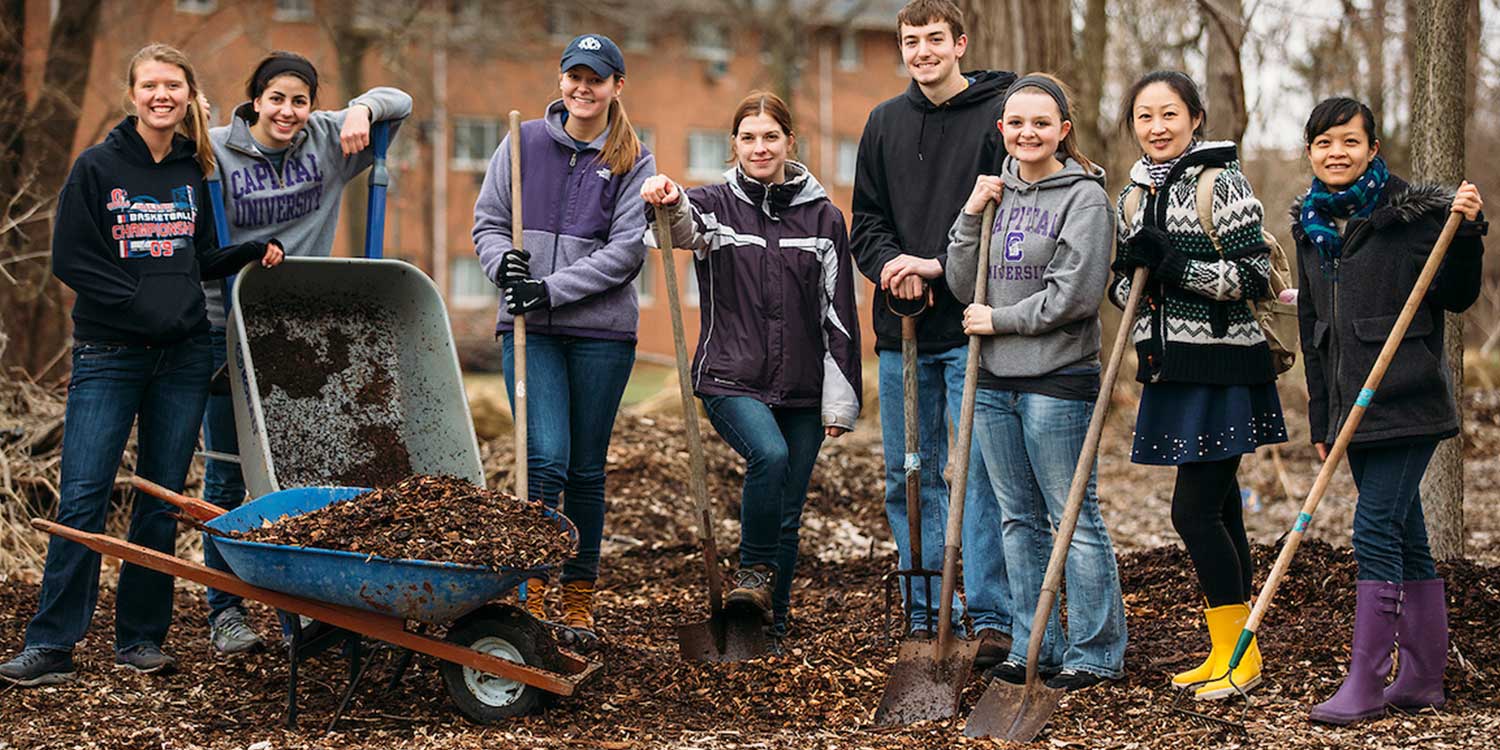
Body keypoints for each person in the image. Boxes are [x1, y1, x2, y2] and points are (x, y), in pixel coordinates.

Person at [0, 44, 283, 686]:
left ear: (188, 95)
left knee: (159, 499)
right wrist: (140, 302)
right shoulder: (97, 167)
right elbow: (72, 258)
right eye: (150, 85)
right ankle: (51, 644)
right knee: (83, 496)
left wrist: (247, 252)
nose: (162, 95)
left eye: (173, 85)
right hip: (109, 354)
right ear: (133, 94)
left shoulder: (193, 169)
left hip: (184, 358)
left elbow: (196, 258)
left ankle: (140, 639)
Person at [198, 51, 412, 654]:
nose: (287, 111)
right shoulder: (215, 149)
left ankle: (323, 607)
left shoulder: (327, 141)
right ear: (255, 100)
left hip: (302, 330)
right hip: (230, 322)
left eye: (300, 100)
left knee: (311, 470)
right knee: (226, 473)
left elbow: (402, 101)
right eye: (276, 99)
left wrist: (364, 108)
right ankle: (225, 611)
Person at [1292, 97, 1485, 725]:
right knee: (1406, 537)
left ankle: (1367, 683)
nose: (1337, 153)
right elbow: (1311, 325)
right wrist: (1322, 415)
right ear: (1311, 153)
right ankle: (1424, 679)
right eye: (1324, 143)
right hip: (1349, 408)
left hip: (1406, 401)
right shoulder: (1312, 225)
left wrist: (1470, 235)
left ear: (1373, 148)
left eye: (1350, 141)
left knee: (1373, 529)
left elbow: (1456, 295)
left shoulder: (1409, 217)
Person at [640, 92, 862, 637]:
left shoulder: (824, 217)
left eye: (770, 136)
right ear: (733, 145)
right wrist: (664, 199)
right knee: (769, 454)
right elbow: (675, 231)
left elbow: (838, 314)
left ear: (790, 142)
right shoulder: (711, 204)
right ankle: (754, 570)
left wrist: (840, 398)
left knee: (788, 509)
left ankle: (771, 630)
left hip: (804, 387)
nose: (759, 147)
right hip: (729, 376)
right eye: (748, 137)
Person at [942, 74, 1126, 692]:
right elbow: (964, 282)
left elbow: (1075, 296)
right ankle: (1034, 644)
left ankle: (1095, 653)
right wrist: (970, 214)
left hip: (1058, 380)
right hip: (992, 382)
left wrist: (1001, 321)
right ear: (1003, 130)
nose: (1028, 134)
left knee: (1072, 517)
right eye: (1017, 124)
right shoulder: (996, 194)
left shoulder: (1085, 200)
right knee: (1017, 519)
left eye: (1042, 124)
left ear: (1063, 132)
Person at [1109, 70, 1287, 700]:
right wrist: (1131, 274)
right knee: (1220, 509)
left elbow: (1252, 274)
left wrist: (1174, 264)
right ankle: (1230, 653)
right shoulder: (1131, 194)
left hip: (1225, 367)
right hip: (1169, 367)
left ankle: (1242, 652)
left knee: (1192, 511)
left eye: (1169, 115)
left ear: (1195, 118)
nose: (1157, 128)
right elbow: (1126, 293)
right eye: (1144, 117)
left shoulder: (1222, 181)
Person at [471, 33, 653, 646]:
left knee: (584, 470)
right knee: (543, 458)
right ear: (562, 80)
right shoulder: (521, 144)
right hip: (530, 332)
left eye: (595, 79)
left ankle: (578, 596)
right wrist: (507, 269)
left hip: (600, 334)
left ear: (616, 87)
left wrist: (549, 288)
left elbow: (626, 253)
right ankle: (537, 584)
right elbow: (488, 222)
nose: (582, 88)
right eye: (573, 76)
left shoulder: (634, 159)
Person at [851, 0, 1014, 660]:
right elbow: (865, 220)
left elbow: (1011, 217)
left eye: (934, 39)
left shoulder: (996, 120)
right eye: (910, 40)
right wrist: (892, 263)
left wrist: (942, 266)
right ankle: (925, 608)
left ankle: (990, 614)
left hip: (975, 326)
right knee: (909, 475)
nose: (922, 51)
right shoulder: (883, 123)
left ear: (959, 43)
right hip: (903, 331)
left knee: (979, 475)